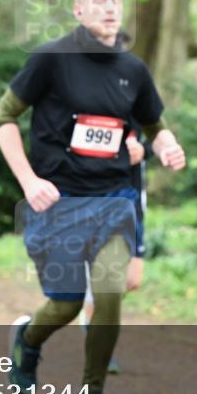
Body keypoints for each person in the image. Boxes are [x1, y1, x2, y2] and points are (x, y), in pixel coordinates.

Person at [0, 0, 186, 394]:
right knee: (62, 304)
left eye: (115, 0)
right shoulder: (51, 60)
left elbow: (154, 125)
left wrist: (166, 145)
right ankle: (29, 339)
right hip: (58, 202)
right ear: (78, 10)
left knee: (109, 292)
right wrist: (28, 180)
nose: (109, 8)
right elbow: (3, 117)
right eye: (98, 1)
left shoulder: (132, 70)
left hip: (114, 201)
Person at [81, 124, 150, 374]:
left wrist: (143, 149)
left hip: (128, 207)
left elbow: (159, 143)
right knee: (99, 280)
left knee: (130, 280)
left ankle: (92, 320)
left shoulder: (137, 110)